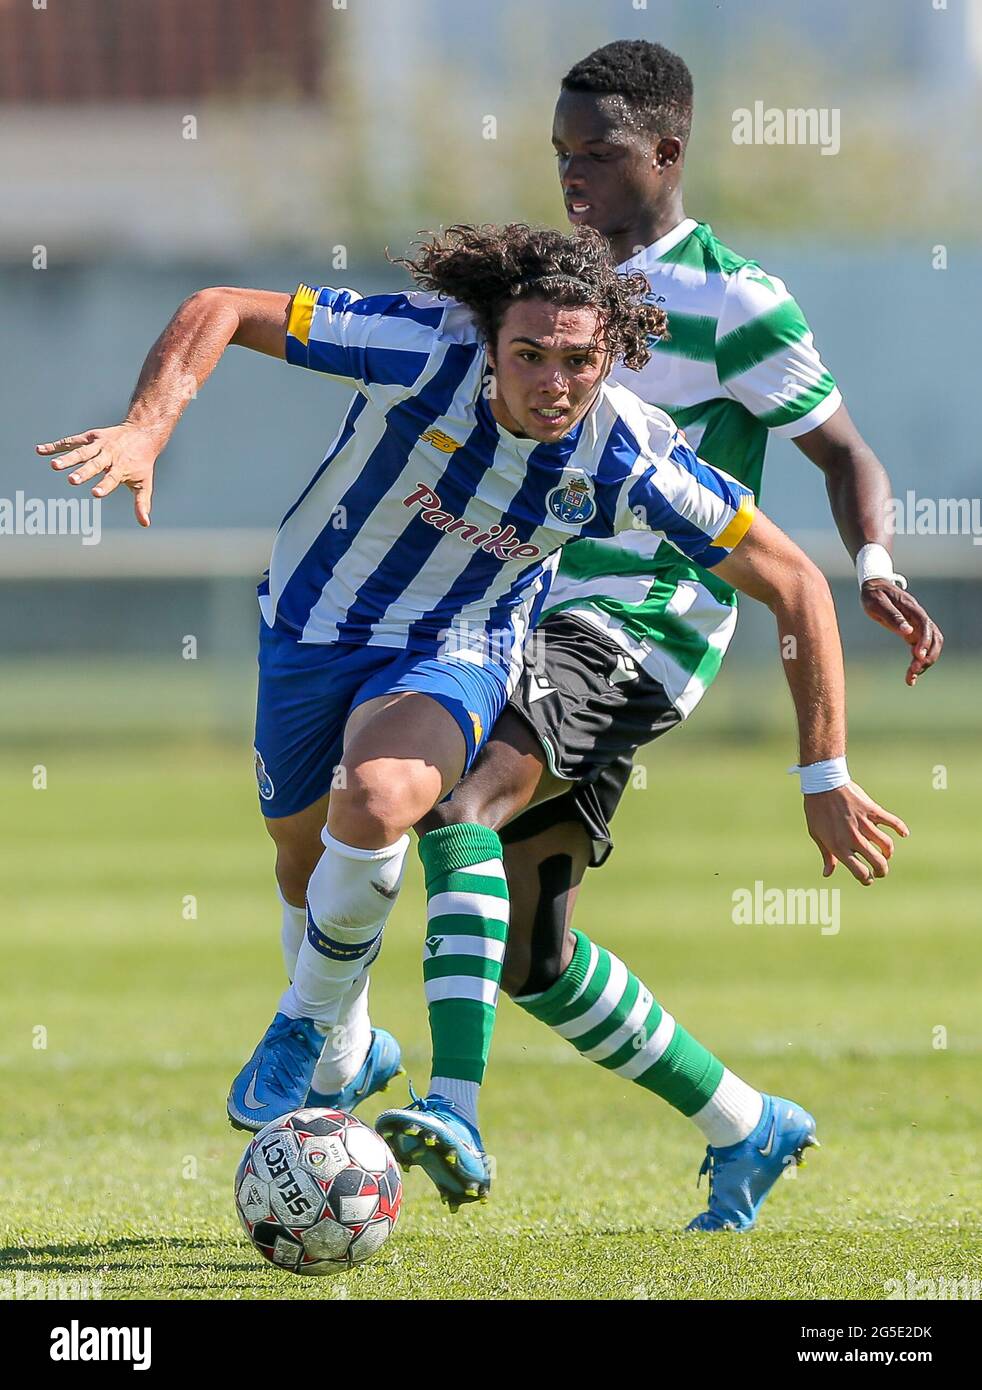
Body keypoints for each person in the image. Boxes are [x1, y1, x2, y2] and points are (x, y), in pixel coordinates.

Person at [38, 222, 900, 1223]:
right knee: (307, 865)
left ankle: (323, 1030)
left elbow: (794, 580)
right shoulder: (419, 345)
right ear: (490, 345)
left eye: (578, 360)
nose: (552, 381)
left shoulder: (625, 454)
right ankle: (358, 1050)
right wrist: (147, 427)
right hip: (311, 627)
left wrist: (821, 772)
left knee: (390, 801)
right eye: (528, 354)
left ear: (611, 356)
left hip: (461, 646)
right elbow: (218, 308)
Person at [378, 41, 938, 1232]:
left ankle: (445, 1102)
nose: (572, 174)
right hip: (524, 614)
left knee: (451, 798)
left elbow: (844, 454)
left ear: (666, 154)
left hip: (640, 628)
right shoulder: (555, 291)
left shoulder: (736, 300)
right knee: (528, 954)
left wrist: (873, 568)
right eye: (560, 154)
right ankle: (748, 1125)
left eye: (597, 153)